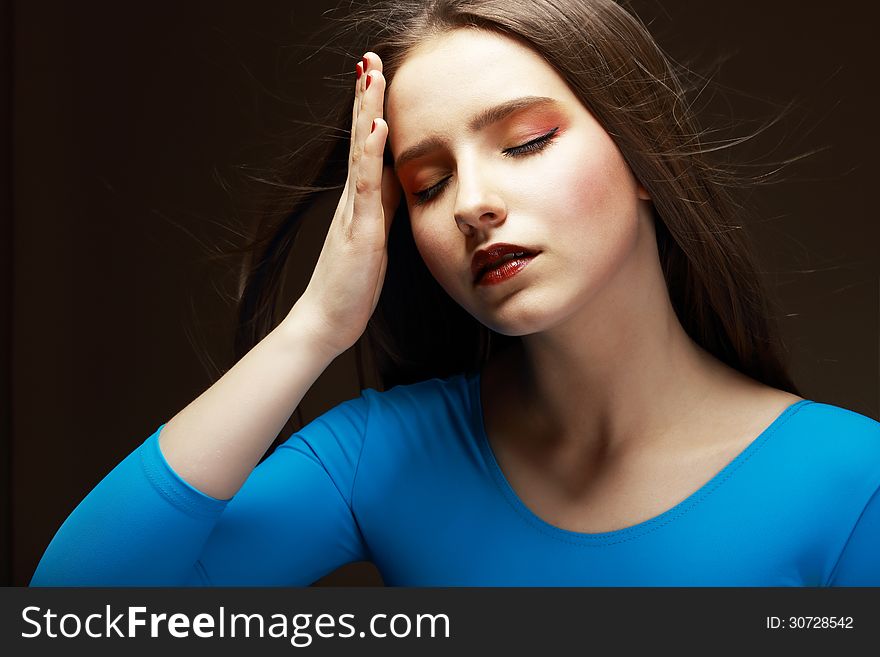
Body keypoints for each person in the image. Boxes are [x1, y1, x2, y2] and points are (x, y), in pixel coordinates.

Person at [30, 0, 879, 586]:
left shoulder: (850, 484)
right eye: (428, 184)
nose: (472, 202)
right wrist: (315, 328)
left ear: (644, 154)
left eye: (527, 141)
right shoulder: (382, 457)